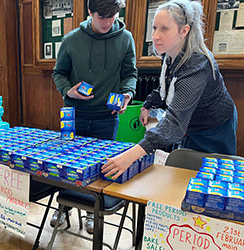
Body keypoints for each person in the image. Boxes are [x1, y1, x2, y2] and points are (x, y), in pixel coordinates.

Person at [102, 0, 237, 179]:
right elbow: (167, 85)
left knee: (211, 177)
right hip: (190, 126)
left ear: (184, 31)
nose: (156, 36)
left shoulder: (197, 64)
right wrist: (148, 104)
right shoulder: (169, 52)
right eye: (154, 28)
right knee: (184, 175)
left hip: (213, 128)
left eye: (164, 29)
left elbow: (175, 123)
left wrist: (130, 156)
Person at [52, 0, 137, 233]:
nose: (108, 22)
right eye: (102, 17)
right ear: (90, 13)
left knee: (100, 169)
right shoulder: (71, 40)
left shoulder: (126, 38)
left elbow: (130, 73)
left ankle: (92, 211)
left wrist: (127, 94)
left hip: (106, 117)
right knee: (66, 164)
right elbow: (59, 73)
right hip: (74, 115)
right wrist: (68, 90)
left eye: (113, 17)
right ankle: (62, 209)